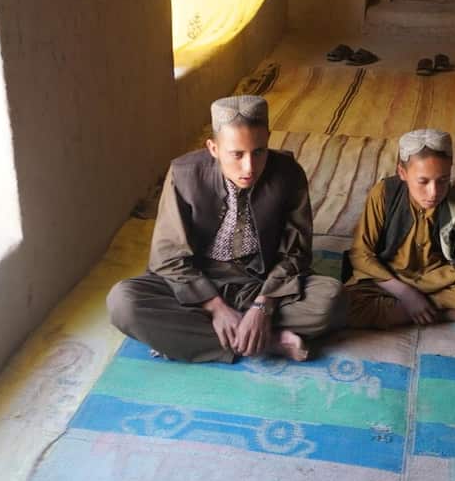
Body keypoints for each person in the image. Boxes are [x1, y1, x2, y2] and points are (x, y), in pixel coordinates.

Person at [107, 95, 346, 363]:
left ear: (268, 138)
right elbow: (168, 258)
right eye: (237, 154)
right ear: (213, 148)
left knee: (330, 299)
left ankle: (190, 338)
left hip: (257, 281)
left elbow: (296, 252)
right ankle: (270, 342)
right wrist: (215, 306)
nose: (249, 167)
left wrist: (263, 306)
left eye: (259, 151)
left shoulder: (288, 173)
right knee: (123, 303)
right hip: (195, 280)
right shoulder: (184, 174)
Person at [344, 129, 455, 329]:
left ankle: (425, 309)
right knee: (341, 306)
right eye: (423, 182)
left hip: (441, 279)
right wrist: (406, 294)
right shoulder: (384, 194)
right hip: (392, 278)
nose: (434, 192)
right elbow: (360, 254)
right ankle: (442, 313)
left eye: (443, 180)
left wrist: (416, 299)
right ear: (402, 172)